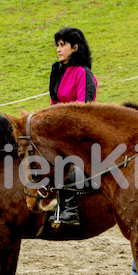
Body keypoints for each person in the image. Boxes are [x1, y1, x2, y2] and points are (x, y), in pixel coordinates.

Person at [48, 27, 97, 225]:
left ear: (74, 48)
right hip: (60, 128)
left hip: (80, 129)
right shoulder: (57, 70)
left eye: (62, 45)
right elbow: (54, 103)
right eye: (57, 45)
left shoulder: (83, 73)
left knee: (65, 157)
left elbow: (82, 109)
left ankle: (70, 208)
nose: (58, 50)